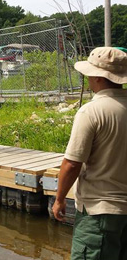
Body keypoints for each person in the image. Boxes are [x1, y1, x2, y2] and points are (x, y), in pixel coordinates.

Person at [52, 47, 127, 260]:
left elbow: (72, 163)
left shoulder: (91, 111)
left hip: (98, 212)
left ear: (98, 77)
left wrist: (59, 200)